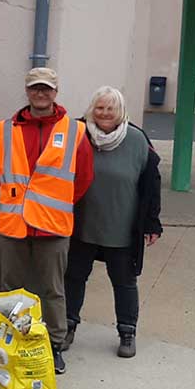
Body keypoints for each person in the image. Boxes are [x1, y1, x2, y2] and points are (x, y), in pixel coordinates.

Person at [0, 67, 94, 375]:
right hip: (14, 224)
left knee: (52, 290)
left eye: (46, 88)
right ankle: (11, 343)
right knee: (12, 289)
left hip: (53, 225)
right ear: (27, 91)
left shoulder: (75, 131)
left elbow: (84, 177)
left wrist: (52, 204)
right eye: (35, 88)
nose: (40, 93)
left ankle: (54, 346)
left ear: (55, 92)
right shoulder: (6, 129)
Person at [64, 86, 162, 359]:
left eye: (111, 108)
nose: (105, 113)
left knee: (124, 282)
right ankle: (68, 325)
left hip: (121, 227)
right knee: (73, 277)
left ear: (121, 112)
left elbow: (152, 184)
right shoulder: (77, 134)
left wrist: (153, 223)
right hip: (82, 225)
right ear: (91, 110)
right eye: (100, 108)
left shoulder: (136, 139)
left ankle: (127, 332)